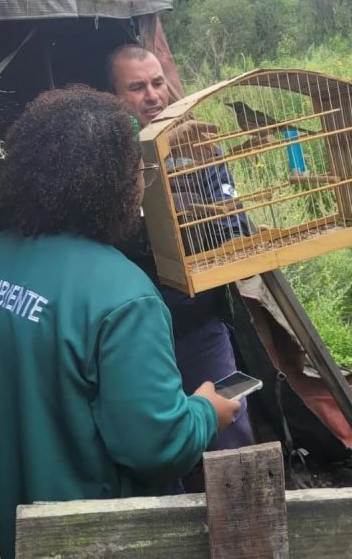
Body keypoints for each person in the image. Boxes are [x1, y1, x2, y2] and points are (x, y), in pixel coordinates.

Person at [0, 86, 241, 558]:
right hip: (72, 538)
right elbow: (156, 446)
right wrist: (205, 411)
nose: (144, 179)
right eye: (137, 168)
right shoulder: (124, 298)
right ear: (113, 183)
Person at [107, 45, 254, 459]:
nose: (152, 95)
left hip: (199, 325)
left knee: (232, 434)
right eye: (136, 87)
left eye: (158, 83)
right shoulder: (108, 167)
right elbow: (118, 239)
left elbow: (236, 225)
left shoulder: (202, 150)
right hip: (139, 338)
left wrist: (179, 233)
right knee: (157, 446)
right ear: (114, 99)